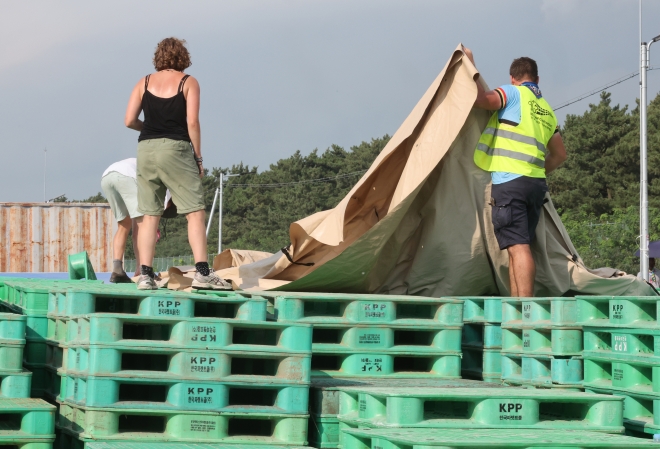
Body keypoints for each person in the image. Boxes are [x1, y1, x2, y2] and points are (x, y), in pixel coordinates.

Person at [124, 37, 231, 291]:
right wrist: (198, 156)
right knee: (194, 212)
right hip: (176, 148)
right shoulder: (188, 82)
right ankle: (203, 273)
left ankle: (146, 276)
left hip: (146, 149)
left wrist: (149, 128)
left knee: (150, 215)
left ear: (158, 58)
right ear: (183, 58)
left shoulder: (144, 82)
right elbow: (192, 122)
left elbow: (129, 120)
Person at [464, 48, 567, 297]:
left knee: (518, 248)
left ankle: (525, 311)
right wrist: (536, 170)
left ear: (513, 78)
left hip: (510, 183)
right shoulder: (546, 110)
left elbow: (480, 101)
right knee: (516, 247)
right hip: (535, 185)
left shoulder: (512, 93)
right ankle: (516, 309)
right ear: (537, 80)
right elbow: (560, 155)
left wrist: (470, 65)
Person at [100, 158, 141, 283]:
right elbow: (146, 225)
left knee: (123, 225)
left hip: (107, 176)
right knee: (143, 226)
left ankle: (117, 269)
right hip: (127, 176)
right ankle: (142, 270)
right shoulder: (168, 191)